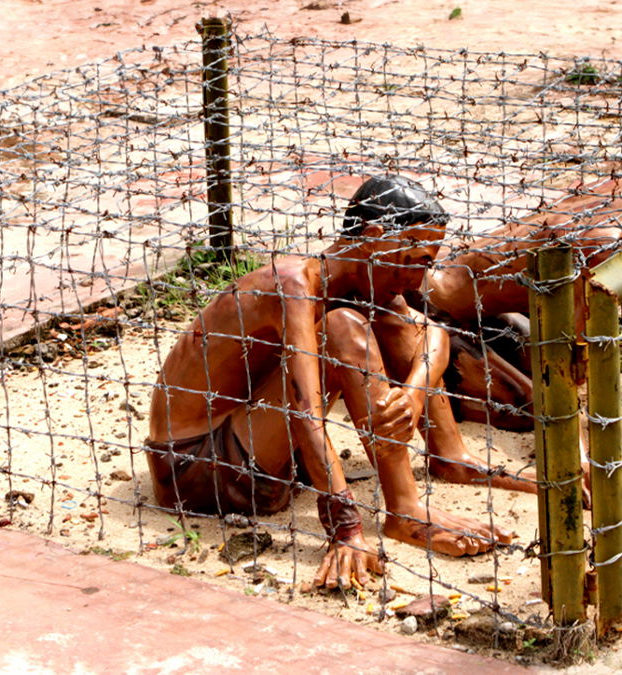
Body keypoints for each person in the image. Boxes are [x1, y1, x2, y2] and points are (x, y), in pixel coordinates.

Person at [145, 175, 532, 591]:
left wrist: (414, 393)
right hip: (201, 471)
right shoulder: (295, 286)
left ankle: (451, 457)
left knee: (394, 325)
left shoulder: (363, 276)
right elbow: (303, 406)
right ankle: (404, 511)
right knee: (344, 329)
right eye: (416, 260)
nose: (418, 280)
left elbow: (431, 335)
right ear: (373, 236)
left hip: (261, 450)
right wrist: (345, 526)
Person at [421, 130, 622, 428]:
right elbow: (574, 357)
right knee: (530, 407)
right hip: (434, 307)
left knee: (533, 367)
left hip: (498, 310)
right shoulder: (606, 239)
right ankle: (417, 377)